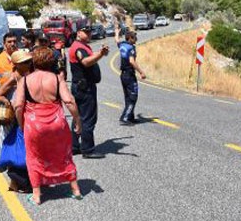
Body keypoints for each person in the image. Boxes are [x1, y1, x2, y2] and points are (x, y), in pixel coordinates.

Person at [13, 47, 83, 205]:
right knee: (64, 155)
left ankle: (37, 195)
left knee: (34, 157)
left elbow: (18, 106)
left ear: (34, 61)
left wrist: (21, 124)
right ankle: (75, 189)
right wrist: (77, 120)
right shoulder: (58, 79)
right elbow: (69, 101)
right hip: (57, 123)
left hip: (34, 125)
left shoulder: (24, 80)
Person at [0, 50, 34, 193]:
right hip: (16, 117)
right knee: (19, 150)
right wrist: (9, 102)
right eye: (25, 62)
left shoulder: (27, 74)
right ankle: (18, 181)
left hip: (26, 114)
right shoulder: (14, 77)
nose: (29, 63)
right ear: (17, 65)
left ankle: (16, 182)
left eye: (29, 61)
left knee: (22, 149)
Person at [69, 25, 109, 159]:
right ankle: (88, 149)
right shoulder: (78, 47)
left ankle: (74, 146)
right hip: (85, 88)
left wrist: (100, 53)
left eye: (90, 32)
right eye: (86, 32)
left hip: (81, 86)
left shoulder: (81, 45)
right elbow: (86, 62)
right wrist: (101, 54)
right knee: (88, 118)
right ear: (79, 33)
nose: (89, 34)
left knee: (78, 117)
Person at [114, 24, 146, 125]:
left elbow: (117, 40)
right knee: (133, 96)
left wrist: (117, 32)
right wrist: (141, 72)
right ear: (130, 38)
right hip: (129, 74)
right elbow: (132, 61)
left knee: (128, 96)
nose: (136, 39)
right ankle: (125, 117)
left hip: (123, 75)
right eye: (134, 37)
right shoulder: (131, 48)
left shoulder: (122, 44)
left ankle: (131, 116)